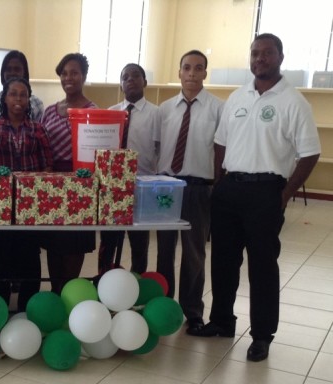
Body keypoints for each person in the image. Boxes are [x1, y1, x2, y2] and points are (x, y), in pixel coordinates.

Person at [189, 34, 321, 362]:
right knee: (223, 261)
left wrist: (285, 194)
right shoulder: (237, 97)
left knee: (262, 267)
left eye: (267, 53)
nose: (259, 58)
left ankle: (262, 335)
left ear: (280, 57)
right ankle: (222, 321)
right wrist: (220, 183)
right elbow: (220, 142)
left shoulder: (293, 102)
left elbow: (310, 154)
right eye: (254, 53)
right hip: (230, 189)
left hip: (267, 193)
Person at [155, 50, 223, 333]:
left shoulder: (219, 108)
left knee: (194, 252)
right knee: (164, 249)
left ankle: (192, 310)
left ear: (205, 73)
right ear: (179, 72)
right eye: (187, 68)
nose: (192, 73)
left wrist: (218, 187)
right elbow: (158, 147)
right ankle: (162, 303)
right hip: (166, 185)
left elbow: (221, 151)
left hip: (198, 188)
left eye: (198, 68)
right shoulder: (165, 109)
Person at [0, 77, 53, 311]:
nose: (18, 99)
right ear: (5, 98)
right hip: (1, 205)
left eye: (23, 94)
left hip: (30, 206)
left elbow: (47, 167)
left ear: (29, 99)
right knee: (0, 254)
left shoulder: (37, 129)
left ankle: (28, 308)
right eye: (13, 94)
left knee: (30, 254)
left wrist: (33, 191)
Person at [40, 53, 96, 294]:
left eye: (74, 72)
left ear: (83, 76)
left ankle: (69, 294)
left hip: (81, 181)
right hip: (53, 181)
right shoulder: (50, 111)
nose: (68, 77)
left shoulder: (93, 111)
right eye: (64, 73)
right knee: (53, 242)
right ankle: (54, 293)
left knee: (74, 241)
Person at [97, 63, 159, 275]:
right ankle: (104, 278)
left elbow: (159, 149)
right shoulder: (111, 113)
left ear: (145, 82)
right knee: (109, 239)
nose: (130, 80)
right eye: (125, 77)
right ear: (121, 84)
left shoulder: (156, 114)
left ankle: (137, 280)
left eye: (135, 76)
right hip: (112, 189)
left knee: (139, 241)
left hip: (141, 185)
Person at [0, 50, 45, 122]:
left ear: (24, 72)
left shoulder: (37, 103)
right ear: (3, 72)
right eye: (8, 69)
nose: (12, 73)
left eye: (17, 69)